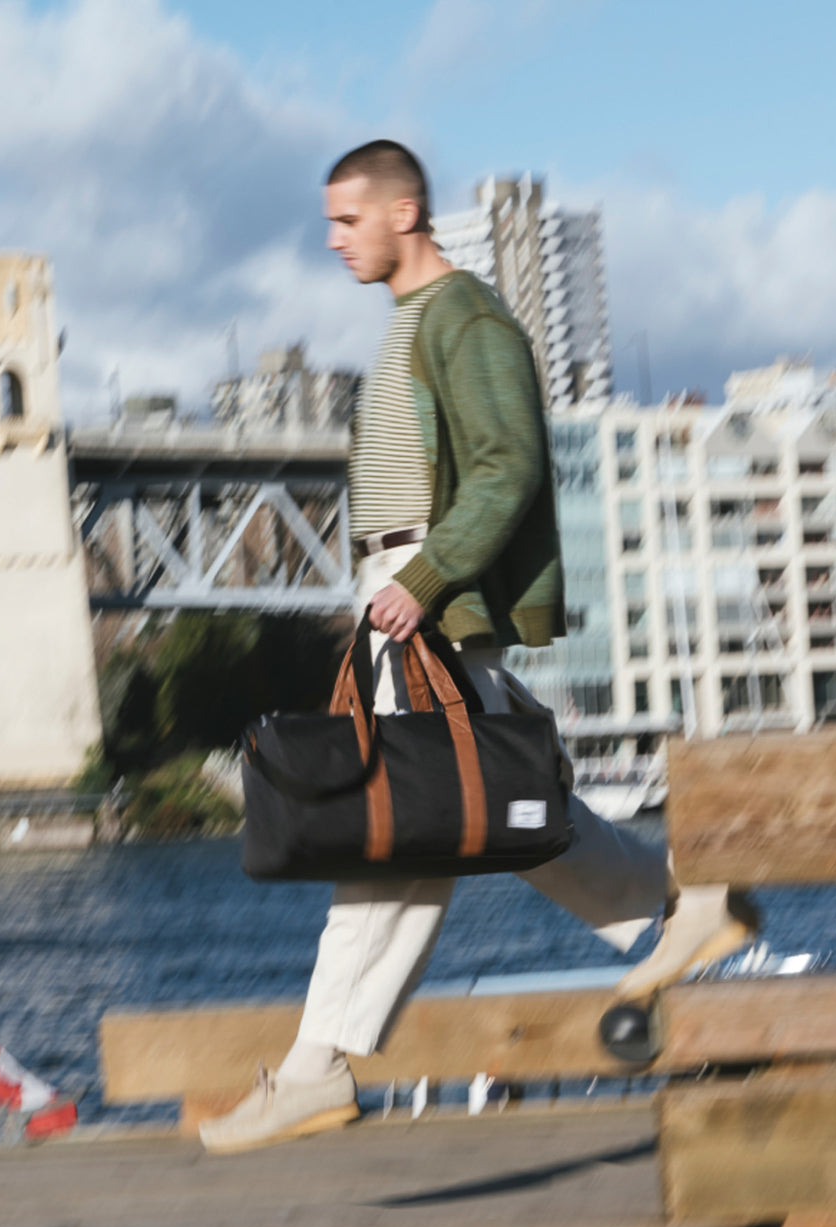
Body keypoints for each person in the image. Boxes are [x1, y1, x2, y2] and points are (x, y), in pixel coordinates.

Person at [200, 141, 756, 1153]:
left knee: (400, 828)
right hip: (405, 589)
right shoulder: (414, 320)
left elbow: (509, 467)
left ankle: (315, 1071)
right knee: (496, 804)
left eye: (347, 220)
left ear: (403, 211)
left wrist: (418, 582)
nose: (334, 240)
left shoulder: (466, 319)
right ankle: (689, 898)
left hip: (428, 596)